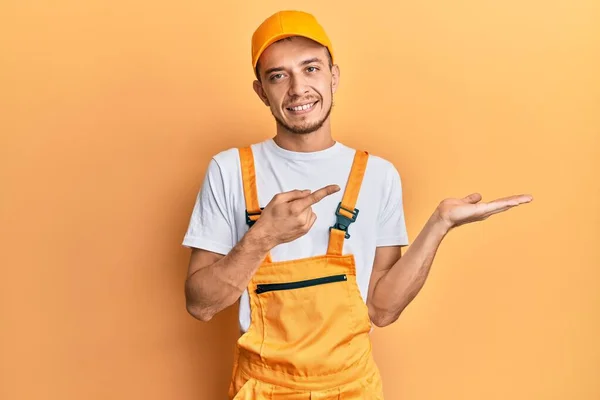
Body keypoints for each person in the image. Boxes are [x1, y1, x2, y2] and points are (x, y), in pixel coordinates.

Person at [182, 10, 533, 399]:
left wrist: (439, 225)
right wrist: (261, 237)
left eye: (311, 68)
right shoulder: (229, 170)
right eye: (278, 75)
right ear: (261, 91)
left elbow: (381, 310)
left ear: (334, 76)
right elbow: (201, 305)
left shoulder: (378, 175)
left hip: (352, 389)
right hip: (263, 389)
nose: (298, 88)